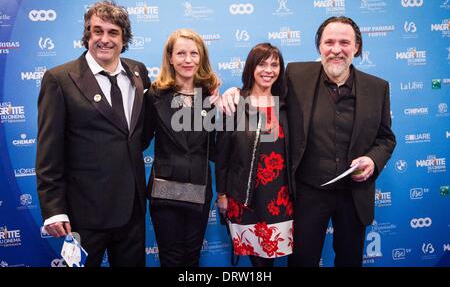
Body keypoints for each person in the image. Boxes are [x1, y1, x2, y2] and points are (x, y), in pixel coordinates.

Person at [221, 16, 396, 267]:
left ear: (357, 47)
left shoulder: (377, 88)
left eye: (344, 42)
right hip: (307, 194)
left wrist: (372, 159)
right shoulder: (296, 74)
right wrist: (237, 93)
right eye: (329, 42)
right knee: (302, 262)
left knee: (350, 260)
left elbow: (386, 138)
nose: (336, 49)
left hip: (354, 196)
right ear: (320, 47)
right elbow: (264, 92)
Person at [36, 0, 150, 267]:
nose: (104, 39)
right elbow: (48, 152)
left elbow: (138, 133)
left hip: (132, 211)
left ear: (124, 38)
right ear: (87, 34)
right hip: (83, 214)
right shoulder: (60, 79)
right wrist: (53, 210)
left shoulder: (137, 72)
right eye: (97, 31)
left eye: (113, 33)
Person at [143, 29, 220, 267]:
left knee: (192, 256)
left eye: (194, 53)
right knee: (171, 258)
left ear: (202, 57)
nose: (188, 60)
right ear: (170, 58)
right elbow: (141, 140)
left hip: (198, 186)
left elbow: (217, 151)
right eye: (181, 53)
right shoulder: (154, 95)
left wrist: (223, 114)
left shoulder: (210, 96)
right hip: (165, 189)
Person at [215, 43, 294, 267]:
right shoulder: (235, 104)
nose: (268, 70)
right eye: (262, 64)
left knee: (276, 259)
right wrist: (222, 195)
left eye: (274, 64)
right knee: (258, 264)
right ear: (251, 67)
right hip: (245, 199)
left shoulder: (288, 106)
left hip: (281, 200)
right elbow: (222, 156)